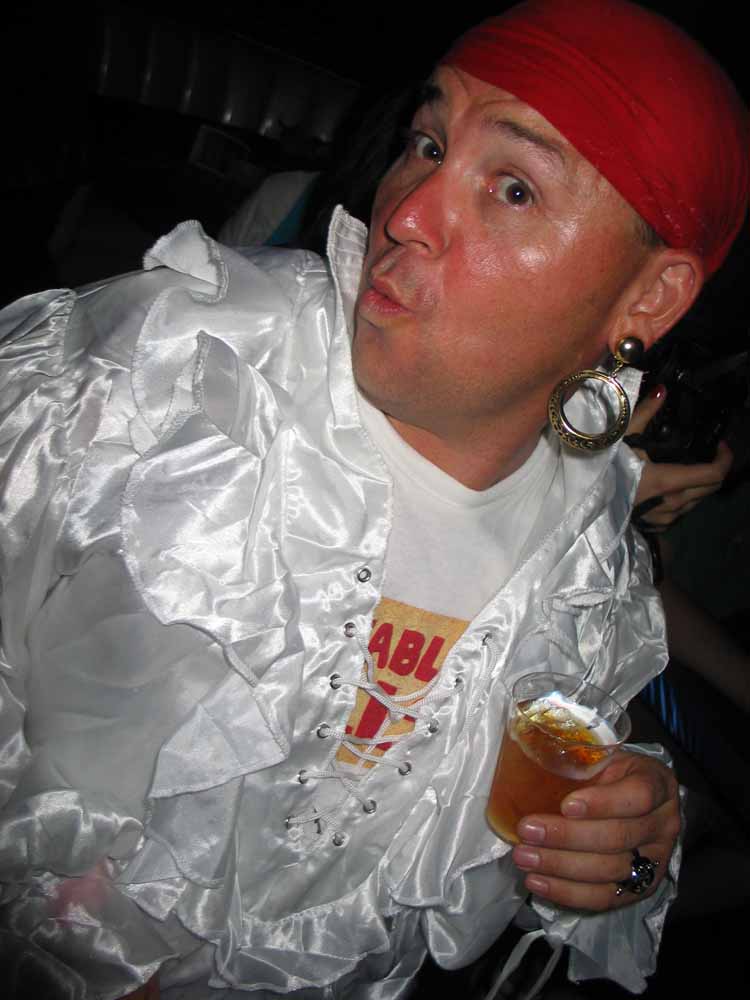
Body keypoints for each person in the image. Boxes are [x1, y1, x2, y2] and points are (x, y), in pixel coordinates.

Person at [0, 2, 746, 998]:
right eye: (428, 144)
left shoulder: (587, 573)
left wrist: (624, 856)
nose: (407, 212)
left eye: (513, 189)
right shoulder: (175, 367)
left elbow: (498, 880)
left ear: (647, 300)